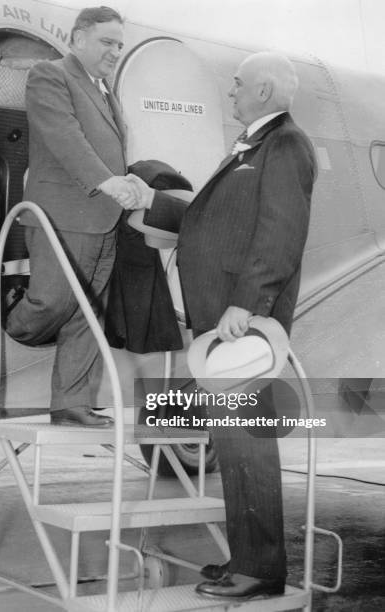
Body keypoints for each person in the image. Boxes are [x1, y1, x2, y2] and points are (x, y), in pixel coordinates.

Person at [120, 51, 317, 598]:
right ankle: (247, 560)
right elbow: (215, 220)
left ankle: (259, 572)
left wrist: (247, 303)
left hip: (241, 320)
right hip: (224, 315)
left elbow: (281, 232)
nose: (230, 92)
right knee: (232, 441)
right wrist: (151, 200)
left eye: (237, 84)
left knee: (247, 440)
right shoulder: (253, 145)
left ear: (264, 90)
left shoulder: (285, 145)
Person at [6, 6, 137, 428]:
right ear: (79, 38)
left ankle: (70, 405)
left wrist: (129, 184)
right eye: (107, 42)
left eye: (120, 44)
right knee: (54, 302)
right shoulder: (51, 75)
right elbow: (64, 136)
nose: (116, 51)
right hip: (64, 215)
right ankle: (12, 320)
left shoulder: (104, 90)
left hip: (104, 218)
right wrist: (106, 181)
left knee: (88, 314)